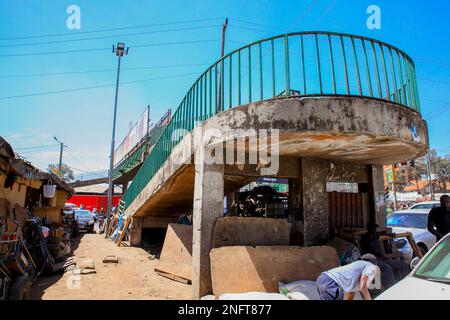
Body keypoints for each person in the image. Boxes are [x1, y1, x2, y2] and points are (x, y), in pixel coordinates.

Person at [360, 222, 410, 289]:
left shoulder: (375, 236)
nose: (374, 229)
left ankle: (405, 284)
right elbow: (372, 252)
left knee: (403, 265)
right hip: (373, 260)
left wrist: (390, 234)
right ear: (369, 229)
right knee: (387, 268)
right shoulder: (365, 239)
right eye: (372, 228)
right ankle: (392, 287)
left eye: (375, 228)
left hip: (382, 258)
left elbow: (383, 233)